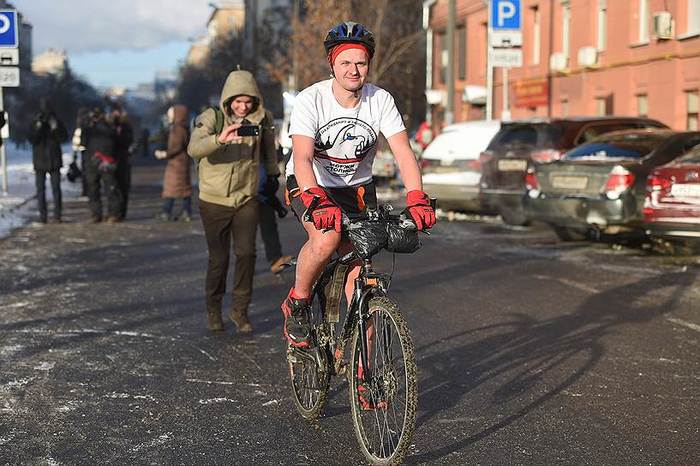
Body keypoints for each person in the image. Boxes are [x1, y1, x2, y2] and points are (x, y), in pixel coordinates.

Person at [281, 21, 436, 348]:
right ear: (332, 64)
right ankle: (298, 302)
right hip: (311, 183)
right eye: (345, 63)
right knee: (326, 240)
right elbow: (302, 158)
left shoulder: (380, 100)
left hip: (358, 190)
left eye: (361, 63)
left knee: (361, 276)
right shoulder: (312, 100)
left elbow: (403, 153)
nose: (354, 70)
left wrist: (417, 196)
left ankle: (364, 375)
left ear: (369, 64)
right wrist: (315, 199)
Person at [188, 69, 279, 334]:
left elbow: (269, 151)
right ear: (228, 100)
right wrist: (220, 139)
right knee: (219, 259)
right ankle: (213, 308)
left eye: (248, 101)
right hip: (214, 200)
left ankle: (240, 310)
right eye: (237, 102)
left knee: (247, 254)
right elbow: (193, 148)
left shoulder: (262, 119)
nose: (243, 107)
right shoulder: (212, 118)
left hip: (245, 198)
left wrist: (273, 175)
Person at [28, 98, 68, 223]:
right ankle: (43, 215)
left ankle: (57, 215)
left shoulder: (56, 121)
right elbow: (31, 139)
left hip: (54, 160)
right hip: (40, 160)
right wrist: (38, 126)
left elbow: (63, 138)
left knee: (56, 189)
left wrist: (55, 127)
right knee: (40, 190)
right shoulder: (35, 121)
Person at [81, 108, 122, 223]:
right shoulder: (109, 127)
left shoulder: (89, 128)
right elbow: (116, 142)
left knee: (94, 189)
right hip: (107, 161)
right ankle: (113, 214)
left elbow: (83, 143)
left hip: (93, 160)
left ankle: (96, 214)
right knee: (110, 188)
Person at [155, 104, 193, 221]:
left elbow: (176, 146)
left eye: (170, 114)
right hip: (182, 162)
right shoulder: (184, 128)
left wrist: (164, 154)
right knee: (184, 188)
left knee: (170, 188)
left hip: (176, 163)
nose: (169, 117)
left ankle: (166, 212)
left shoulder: (177, 129)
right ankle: (186, 212)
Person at [256, 154, 293, 274]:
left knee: (269, 222)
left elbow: (268, 147)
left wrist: (273, 170)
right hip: (244, 182)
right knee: (245, 237)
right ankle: (246, 267)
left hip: (262, 177)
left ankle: (276, 259)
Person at [111, 103, 134, 221]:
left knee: (123, 186)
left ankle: (121, 213)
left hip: (123, 159)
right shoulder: (110, 125)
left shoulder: (125, 126)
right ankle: (115, 212)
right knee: (114, 187)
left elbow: (127, 141)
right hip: (113, 158)